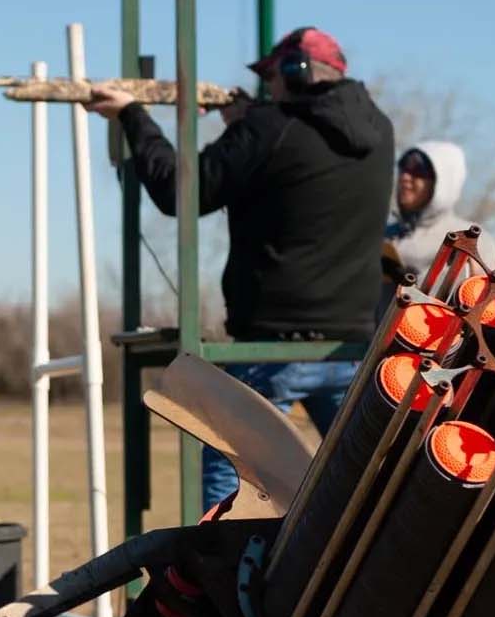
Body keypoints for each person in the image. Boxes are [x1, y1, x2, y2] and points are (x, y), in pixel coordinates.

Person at [84, 26, 394, 512]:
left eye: (274, 78)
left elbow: (178, 191)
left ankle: (216, 585)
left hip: (269, 345)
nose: (269, 88)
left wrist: (131, 114)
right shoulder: (378, 132)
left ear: (295, 73)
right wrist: (249, 124)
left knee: (227, 485)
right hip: (349, 346)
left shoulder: (269, 130)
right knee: (359, 491)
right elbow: (298, 172)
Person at [384, 141, 495, 280]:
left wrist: (414, 284)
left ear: (443, 182)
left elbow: (480, 296)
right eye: (404, 168)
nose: (405, 177)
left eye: (418, 170)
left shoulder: (472, 241)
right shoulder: (383, 234)